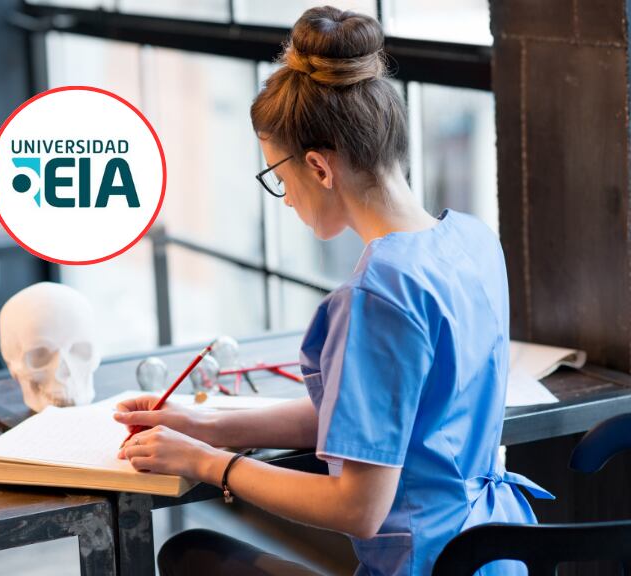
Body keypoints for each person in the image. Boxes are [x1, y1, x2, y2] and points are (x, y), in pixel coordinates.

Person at [113, 6, 554, 575]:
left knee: (189, 554)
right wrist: (207, 426)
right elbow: (370, 419)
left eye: (278, 176)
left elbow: (360, 507)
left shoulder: (378, 295)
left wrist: (208, 464)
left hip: (426, 565)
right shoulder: (472, 240)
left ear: (319, 168)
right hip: (498, 554)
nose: (286, 197)